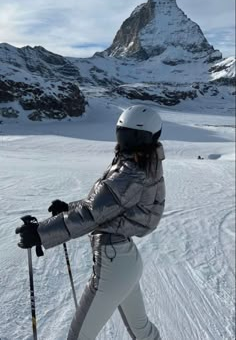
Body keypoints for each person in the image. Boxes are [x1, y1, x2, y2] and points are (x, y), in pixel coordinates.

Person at [16, 104, 166, 340]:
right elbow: (103, 205)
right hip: (125, 261)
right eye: (122, 134)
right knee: (142, 330)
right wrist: (68, 208)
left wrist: (41, 232)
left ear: (147, 139)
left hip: (114, 265)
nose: (125, 141)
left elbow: (92, 215)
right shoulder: (139, 164)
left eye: (133, 136)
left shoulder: (132, 173)